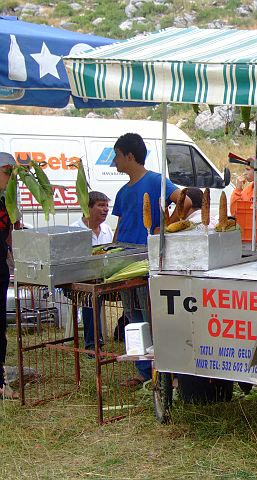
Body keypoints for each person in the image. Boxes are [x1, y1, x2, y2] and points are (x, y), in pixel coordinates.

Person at [112, 133, 189, 386]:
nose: (115, 161)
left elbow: (185, 201)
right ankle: (142, 370)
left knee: (150, 315)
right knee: (132, 316)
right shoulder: (123, 191)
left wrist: (165, 227)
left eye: (117, 155)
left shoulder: (156, 181)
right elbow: (120, 224)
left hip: (147, 260)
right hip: (124, 260)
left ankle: (163, 371)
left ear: (130, 156)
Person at [70, 191, 114, 352]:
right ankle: (93, 344)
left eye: (107, 206)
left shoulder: (107, 229)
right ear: (87, 208)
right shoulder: (74, 230)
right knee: (91, 296)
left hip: (104, 278)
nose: (105, 210)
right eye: (101, 205)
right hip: (79, 280)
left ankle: (122, 332)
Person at [0, 153, 18, 399]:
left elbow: (8, 235)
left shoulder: (6, 200)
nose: (12, 178)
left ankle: (2, 383)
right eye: (8, 172)